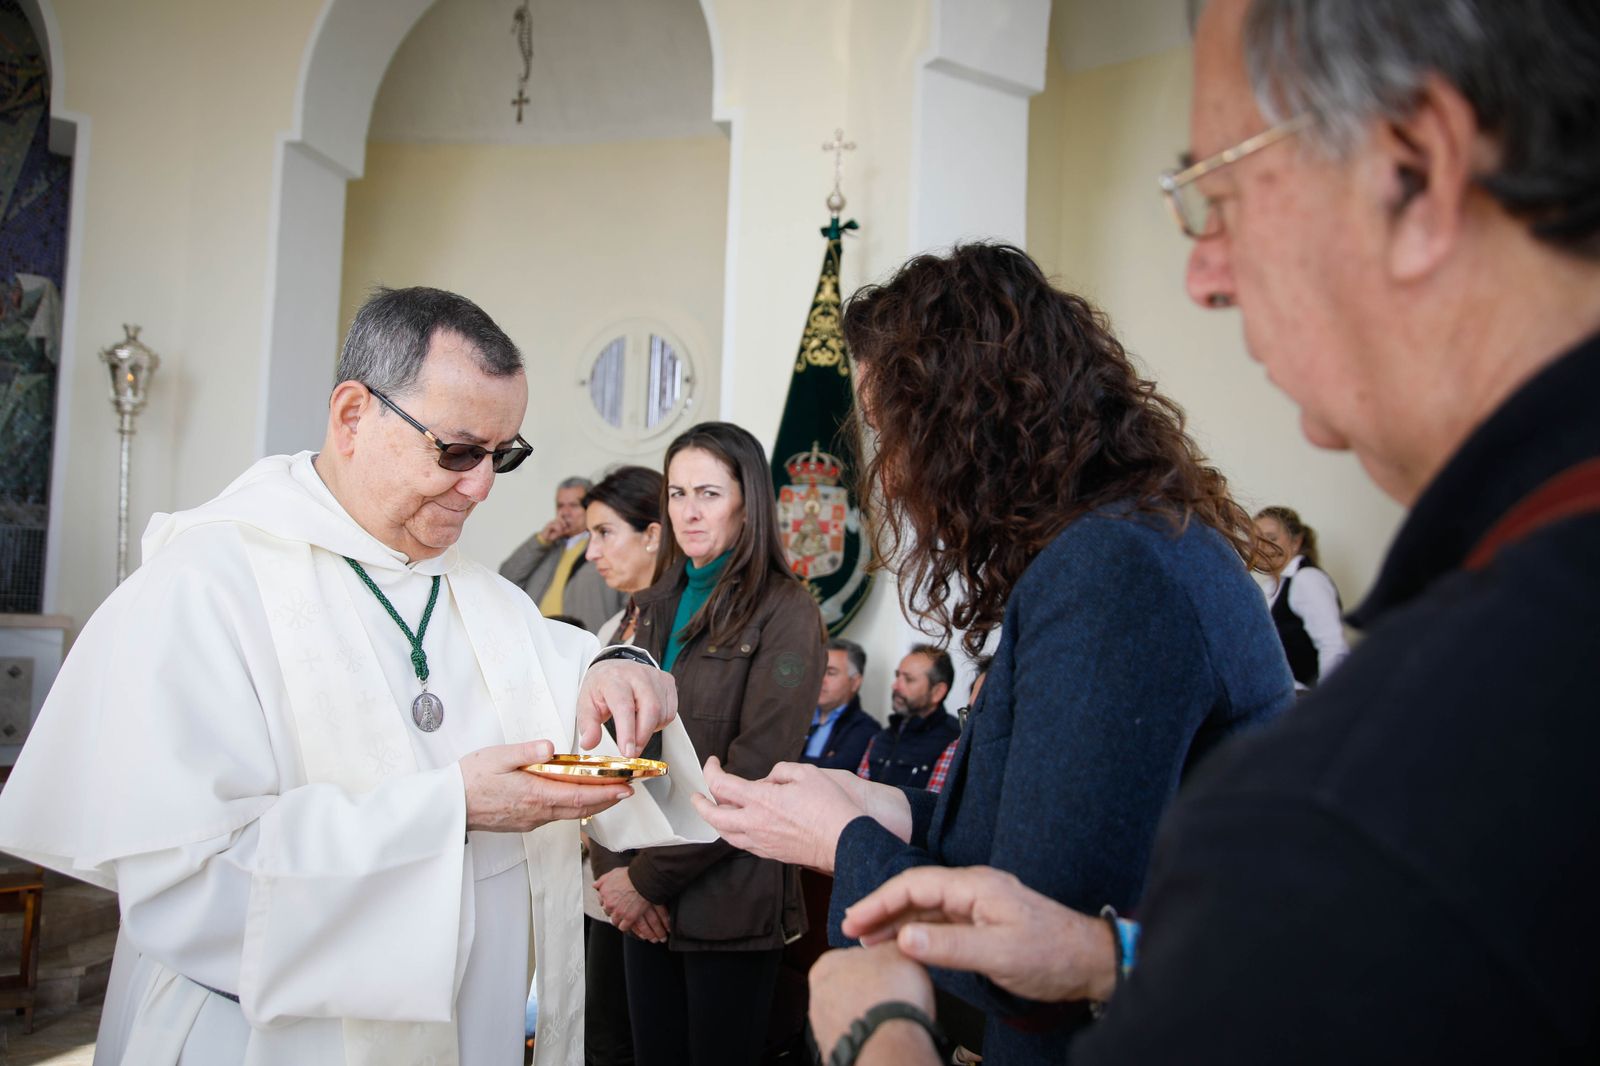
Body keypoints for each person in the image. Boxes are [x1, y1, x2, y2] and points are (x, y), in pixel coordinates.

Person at [809, 0, 1600, 1062]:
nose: (1203, 275)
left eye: (1215, 196)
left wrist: (880, 1028)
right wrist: (1105, 954)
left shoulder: (1437, 715)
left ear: (1415, 171)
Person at [0, 287, 699, 1066]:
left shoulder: (482, 599)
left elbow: (578, 675)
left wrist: (624, 666)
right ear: (352, 416)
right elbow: (187, 884)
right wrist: (451, 810)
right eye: (458, 450)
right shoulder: (201, 586)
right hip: (263, 1040)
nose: (483, 486)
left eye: (504, 456)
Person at [694, 244, 1293, 1063]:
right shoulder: (1130, 540)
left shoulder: (1114, 572)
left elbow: (1031, 946)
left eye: (887, 431)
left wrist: (841, 843)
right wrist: (880, 806)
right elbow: (1040, 825)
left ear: (959, 426)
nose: (891, 474)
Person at [590, 421, 826, 1066]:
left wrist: (646, 880)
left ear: (748, 499)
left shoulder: (787, 610)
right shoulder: (650, 604)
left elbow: (755, 768)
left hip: (728, 902)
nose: (688, 512)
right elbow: (610, 746)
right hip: (639, 900)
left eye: (709, 494)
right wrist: (615, 873)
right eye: (676, 493)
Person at [576, 464, 664, 1066]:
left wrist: (642, 880)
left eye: (606, 533)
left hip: (656, 875)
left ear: (653, 534)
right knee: (598, 1034)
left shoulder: (678, 628)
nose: (591, 552)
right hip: (602, 873)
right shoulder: (610, 628)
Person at [501, 476, 625, 632]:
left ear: (591, 507)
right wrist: (541, 541)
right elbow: (506, 578)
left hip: (584, 644)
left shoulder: (604, 548)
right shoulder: (546, 546)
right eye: (560, 506)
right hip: (539, 640)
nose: (565, 512)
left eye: (573, 505)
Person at [1253, 505, 1347, 686]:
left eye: (1271, 538)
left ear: (1296, 542)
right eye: (1255, 540)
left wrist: (1323, 701)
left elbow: (1333, 646)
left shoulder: (1307, 579)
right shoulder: (1270, 586)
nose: (1263, 547)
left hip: (1308, 700)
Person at [854, 646, 961, 792]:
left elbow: (934, 807)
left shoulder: (953, 742)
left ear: (938, 692)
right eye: (897, 676)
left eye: (909, 679)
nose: (895, 686)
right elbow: (859, 794)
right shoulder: (881, 737)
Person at [801, 637, 879, 772]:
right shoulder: (797, 718)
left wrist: (794, 762)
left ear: (855, 682)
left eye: (830, 673)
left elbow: (834, 773)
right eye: (818, 671)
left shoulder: (865, 729)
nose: (821, 679)